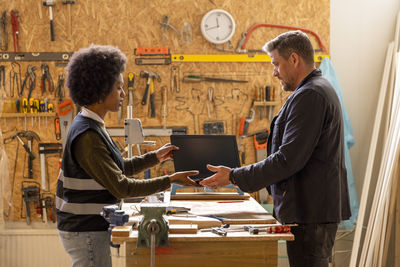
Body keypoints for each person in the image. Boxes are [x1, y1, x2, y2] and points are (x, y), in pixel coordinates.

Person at [200, 31, 351, 267]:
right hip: (309, 212)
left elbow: (287, 159)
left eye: (276, 64)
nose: (274, 72)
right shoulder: (311, 91)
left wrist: (233, 175)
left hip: (310, 213)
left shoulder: (310, 95)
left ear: (294, 59)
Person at [56, 44, 199, 267]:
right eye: (118, 88)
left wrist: (155, 157)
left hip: (88, 228)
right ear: (101, 89)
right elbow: (122, 187)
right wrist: (170, 180)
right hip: (85, 231)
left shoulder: (93, 125)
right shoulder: (88, 135)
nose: (123, 94)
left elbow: (118, 167)